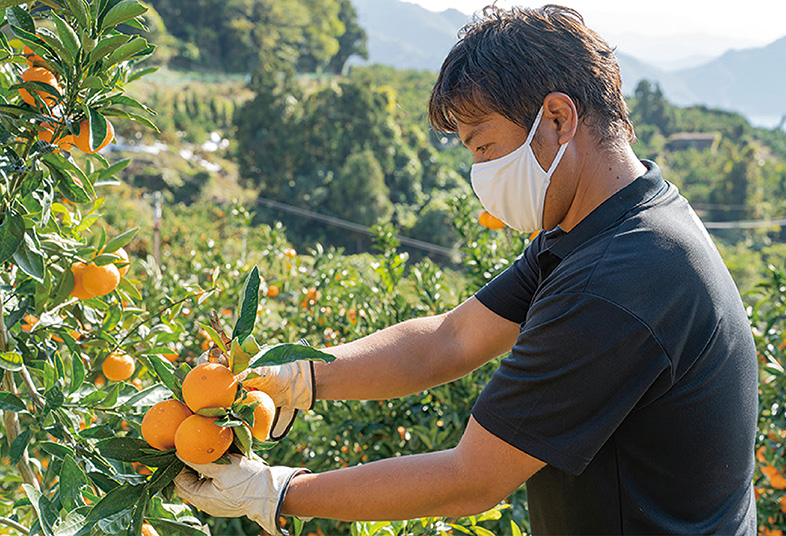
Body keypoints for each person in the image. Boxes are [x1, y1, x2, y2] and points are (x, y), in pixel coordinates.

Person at [174, 5, 758, 535]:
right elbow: (449, 340)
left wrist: (275, 492)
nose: (480, 173)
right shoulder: (599, 229)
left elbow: (471, 477)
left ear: (557, 118)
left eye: (483, 147)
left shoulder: (619, 280)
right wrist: (301, 375)